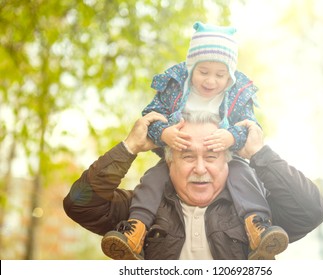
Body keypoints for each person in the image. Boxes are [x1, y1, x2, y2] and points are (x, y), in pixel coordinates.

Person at [100, 21, 288, 260]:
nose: (211, 81)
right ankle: (136, 230)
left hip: (224, 157)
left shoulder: (237, 95)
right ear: (191, 68)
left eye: (220, 75)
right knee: (153, 179)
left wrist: (231, 136)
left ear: (229, 76)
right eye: (203, 72)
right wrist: (164, 133)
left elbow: (250, 127)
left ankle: (256, 226)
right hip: (178, 155)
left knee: (243, 175)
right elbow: (152, 113)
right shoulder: (175, 86)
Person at [63, 111, 323, 260]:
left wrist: (260, 154)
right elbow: (79, 203)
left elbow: (311, 210)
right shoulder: (140, 211)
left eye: (211, 156)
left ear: (228, 162)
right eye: (187, 156)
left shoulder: (257, 216)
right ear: (169, 163)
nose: (200, 168)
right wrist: (129, 148)